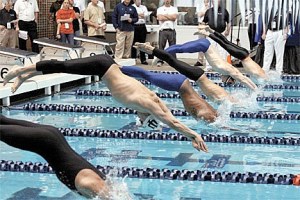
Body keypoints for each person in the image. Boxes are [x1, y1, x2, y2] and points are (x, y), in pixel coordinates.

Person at [3, 55, 208, 153]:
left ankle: (24, 75)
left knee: (64, 67)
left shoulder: (149, 105)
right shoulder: (150, 105)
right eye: (144, 118)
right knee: (63, 66)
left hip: (106, 68)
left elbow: (164, 118)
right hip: (103, 66)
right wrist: (194, 134)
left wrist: (146, 120)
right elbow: (173, 123)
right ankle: (18, 71)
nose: (141, 118)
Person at [0, 115, 109, 199]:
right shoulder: (91, 186)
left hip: (52, 136)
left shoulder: (109, 188)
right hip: (44, 141)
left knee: (2, 119)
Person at [135, 42, 257, 92]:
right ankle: (156, 53)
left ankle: (157, 54)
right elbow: (243, 78)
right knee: (179, 49)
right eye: (227, 81)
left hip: (205, 46)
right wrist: (255, 90)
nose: (223, 81)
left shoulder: (225, 68)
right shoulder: (229, 70)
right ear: (229, 78)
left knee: (180, 48)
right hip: (204, 46)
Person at [120, 65, 217, 122]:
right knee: (146, 75)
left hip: (181, 83)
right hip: (179, 85)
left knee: (146, 75)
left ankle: (119, 68)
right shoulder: (207, 116)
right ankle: (118, 67)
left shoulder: (211, 113)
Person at [195, 24, 267, 81]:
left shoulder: (261, 73)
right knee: (224, 44)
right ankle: (207, 33)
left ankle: (211, 31)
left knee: (226, 42)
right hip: (243, 57)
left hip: (245, 54)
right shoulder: (259, 75)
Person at [262, 6, 290, 74]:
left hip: (280, 31)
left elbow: (288, 23)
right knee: (267, 52)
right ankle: (265, 69)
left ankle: (279, 70)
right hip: (270, 31)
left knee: (279, 52)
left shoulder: (283, 9)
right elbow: (265, 23)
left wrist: (286, 33)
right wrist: (264, 32)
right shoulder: (268, 10)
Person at [203, 0, 230, 70]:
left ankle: (222, 67)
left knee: (222, 51)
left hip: (221, 33)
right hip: (211, 34)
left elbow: (229, 22)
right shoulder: (208, 11)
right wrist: (203, 30)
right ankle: (209, 67)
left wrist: (228, 30)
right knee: (210, 50)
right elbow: (204, 22)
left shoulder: (224, 11)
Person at [156, 0, 178, 67]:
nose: (167, 1)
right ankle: (160, 61)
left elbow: (174, 18)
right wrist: (169, 17)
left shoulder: (174, 9)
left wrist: (164, 16)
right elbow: (160, 18)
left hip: (171, 30)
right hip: (163, 30)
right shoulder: (160, 9)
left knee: (173, 47)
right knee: (161, 47)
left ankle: (173, 61)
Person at [131, 0, 149, 65]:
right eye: (138, 0)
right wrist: (139, 15)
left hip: (142, 26)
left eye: (140, 0)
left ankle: (143, 59)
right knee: (134, 43)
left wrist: (137, 15)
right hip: (135, 26)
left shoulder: (144, 7)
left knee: (142, 44)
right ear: (134, 1)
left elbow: (146, 14)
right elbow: (132, 15)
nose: (139, 1)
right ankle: (133, 59)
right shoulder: (132, 7)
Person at [194, 0, 210, 67]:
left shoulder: (212, 5)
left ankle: (209, 61)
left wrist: (206, 11)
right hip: (201, 25)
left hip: (209, 25)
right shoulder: (199, 4)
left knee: (209, 43)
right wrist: (206, 10)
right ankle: (200, 60)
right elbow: (199, 14)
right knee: (201, 43)